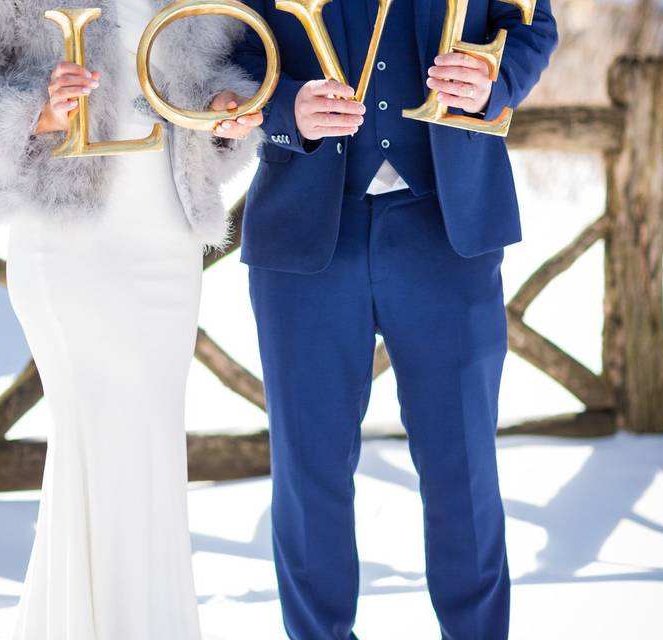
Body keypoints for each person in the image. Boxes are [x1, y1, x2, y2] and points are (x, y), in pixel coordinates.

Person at [0, 1, 264, 638]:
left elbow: (230, 74)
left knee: (152, 441)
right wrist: (36, 111)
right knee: (94, 438)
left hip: (167, 238)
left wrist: (225, 115)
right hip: (66, 235)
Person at [234, 0, 557, 638]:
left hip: (448, 229)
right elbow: (224, 51)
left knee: (462, 467)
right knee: (309, 470)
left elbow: (531, 25)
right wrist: (282, 109)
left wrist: (495, 81)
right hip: (305, 237)